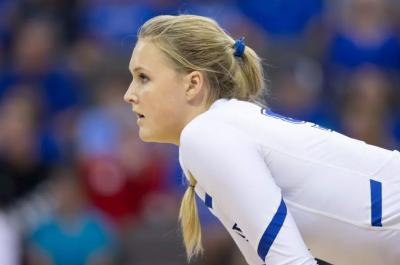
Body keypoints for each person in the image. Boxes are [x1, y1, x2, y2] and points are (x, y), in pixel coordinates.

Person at [123, 14, 400, 265]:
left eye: (143, 77)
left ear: (193, 83)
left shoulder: (206, 134)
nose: (129, 94)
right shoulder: (217, 131)